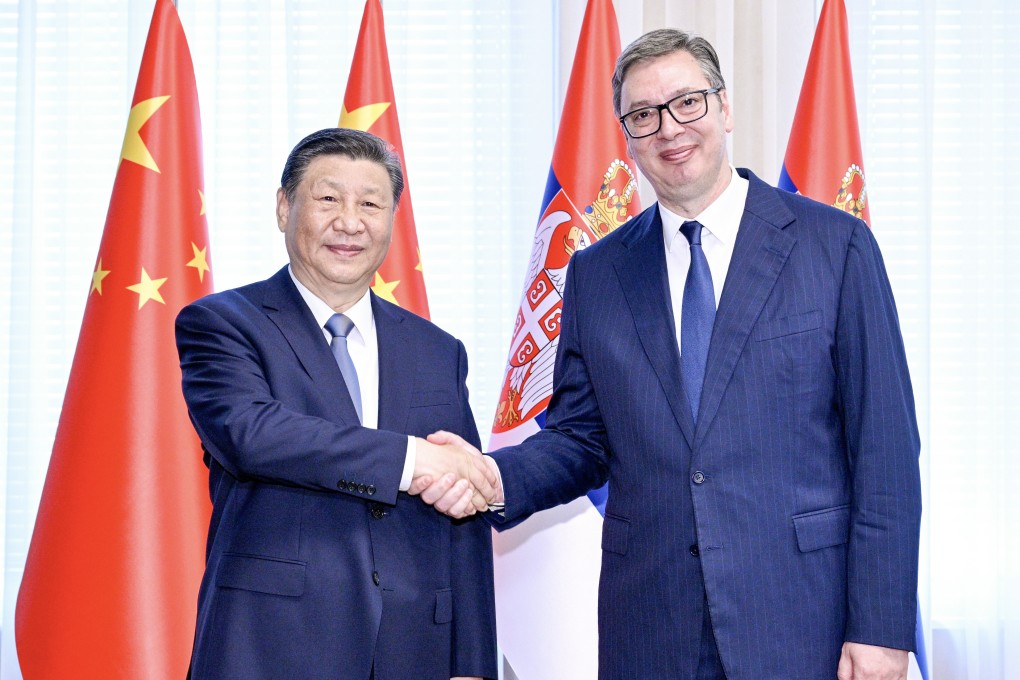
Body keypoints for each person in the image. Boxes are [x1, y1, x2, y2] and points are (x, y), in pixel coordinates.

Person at [416, 29, 921, 680]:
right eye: (643, 115)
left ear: (724, 107)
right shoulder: (597, 274)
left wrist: (880, 631)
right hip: (650, 621)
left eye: (687, 102)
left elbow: (884, 452)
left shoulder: (836, 247)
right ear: (627, 137)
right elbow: (580, 440)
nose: (669, 128)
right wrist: (492, 475)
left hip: (800, 617)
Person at [175, 127, 498, 680]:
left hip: (416, 648)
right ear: (284, 207)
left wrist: (472, 660)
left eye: (371, 204)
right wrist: (412, 460)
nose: (350, 222)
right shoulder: (223, 324)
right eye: (328, 199)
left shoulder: (438, 351)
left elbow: (461, 509)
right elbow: (252, 435)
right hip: (270, 644)